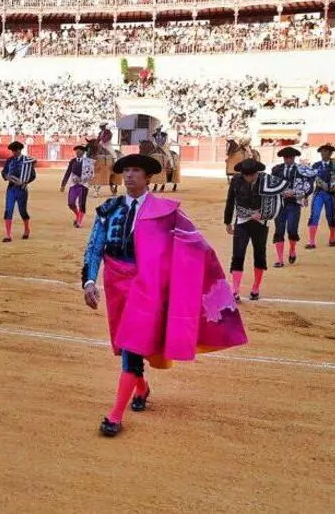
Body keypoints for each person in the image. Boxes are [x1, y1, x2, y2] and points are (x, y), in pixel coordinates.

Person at [82, 154, 248, 438]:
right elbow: (95, 247)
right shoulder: (108, 209)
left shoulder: (166, 212)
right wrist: (89, 281)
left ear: (148, 178)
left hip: (148, 287)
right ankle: (142, 388)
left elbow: (194, 244)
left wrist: (194, 272)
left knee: (133, 343)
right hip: (116, 285)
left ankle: (115, 415)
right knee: (125, 343)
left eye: (136, 170)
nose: (129, 175)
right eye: (126, 170)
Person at [223, 158, 286, 301]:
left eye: (251, 175)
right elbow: (230, 200)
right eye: (246, 175)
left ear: (257, 172)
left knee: (259, 254)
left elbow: (279, 192)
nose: (249, 178)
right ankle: (235, 290)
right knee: (238, 254)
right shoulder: (236, 180)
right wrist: (227, 221)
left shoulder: (266, 180)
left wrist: (266, 213)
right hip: (242, 221)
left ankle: (256, 288)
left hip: (260, 223)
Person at [270, 147, 313, 267]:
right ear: (283, 158)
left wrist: (295, 193)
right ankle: (280, 259)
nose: (288, 159)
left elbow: (309, 185)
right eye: (286, 157)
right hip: (279, 203)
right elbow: (270, 184)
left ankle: (292, 249)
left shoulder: (301, 170)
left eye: (290, 157)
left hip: (294, 203)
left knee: (292, 229)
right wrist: (279, 192)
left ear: (294, 158)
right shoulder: (276, 169)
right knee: (279, 230)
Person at [307, 144, 335, 249]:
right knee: (314, 215)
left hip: (331, 194)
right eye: (323, 151)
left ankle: (332, 238)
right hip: (318, 193)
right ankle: (311, 242)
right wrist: (306, 194)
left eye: (326, 151)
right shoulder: (316, 165)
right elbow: (310, 180)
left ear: (330, 153)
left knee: (330, 216)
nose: (324, 153)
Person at [0, 141, 36, 242]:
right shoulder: (9, 160)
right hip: (11, 188)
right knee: (8, 210)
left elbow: (33, 176)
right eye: (13, 151)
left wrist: (24, 182)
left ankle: (26, 229)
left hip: (22, 189)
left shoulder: (27, 161)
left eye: (16, 151)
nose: (14, 153)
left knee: (22, 210)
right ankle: (8, 235)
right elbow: (3, 172)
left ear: (20, 150)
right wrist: (6, 176)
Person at [60, 144, 94, 227]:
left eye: (79, 151)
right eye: (76, 151)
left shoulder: (88, 162)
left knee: (82, 203)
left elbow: (91, 174)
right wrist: (63, 184)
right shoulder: (72, 161)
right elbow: (68, 172)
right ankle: (78, 215)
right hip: (74, 184)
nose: (77, 153)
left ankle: (79, 222)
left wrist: (82, 179)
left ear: (83, 152)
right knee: (71, 203)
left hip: (83, 185)